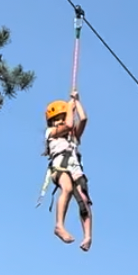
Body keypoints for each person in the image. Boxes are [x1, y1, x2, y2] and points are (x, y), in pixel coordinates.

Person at [44, 94, 92, 250]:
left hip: (75, 169)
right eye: (56, 119)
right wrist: (69, 109)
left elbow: (83, 119)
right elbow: (70, 124)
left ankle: (87, 236)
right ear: (51, 122)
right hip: (60, 166)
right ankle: (59, 225)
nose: (60, 121)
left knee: (84, 200)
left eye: (62, 118)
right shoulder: (51, 133)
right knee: (67, 188)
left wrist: (76, 102)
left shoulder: (73, 138)